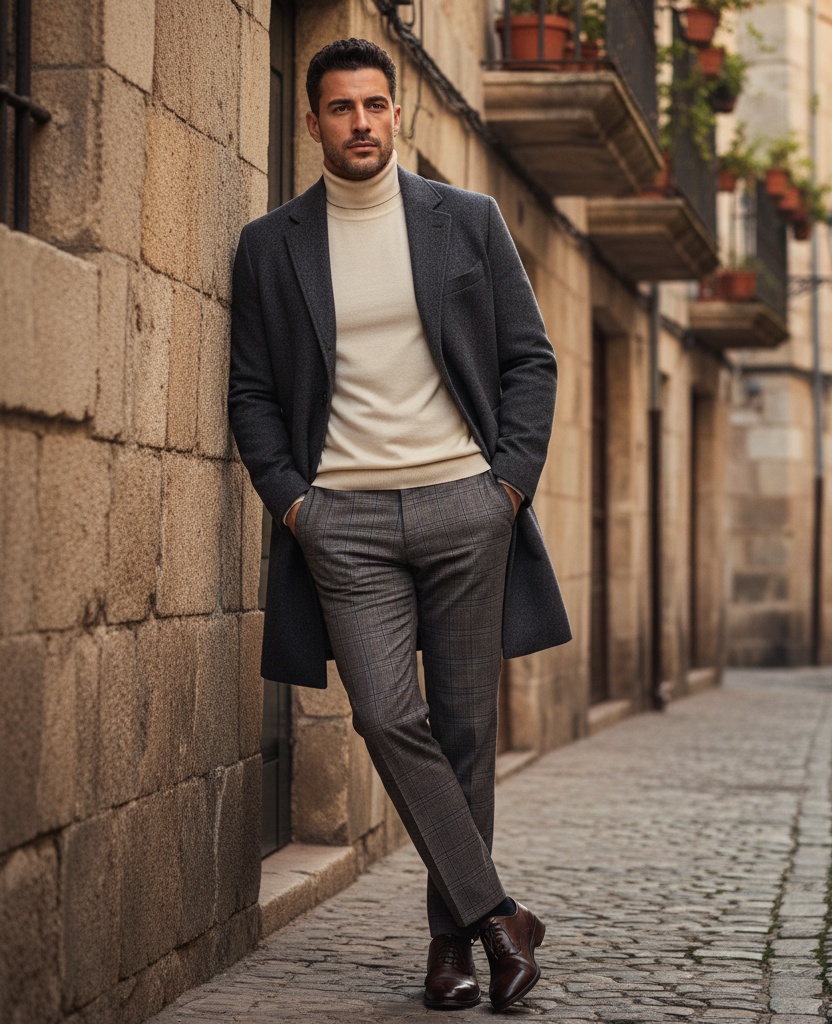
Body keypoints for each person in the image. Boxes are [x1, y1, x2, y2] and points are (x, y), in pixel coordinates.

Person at [228, 37, 571, 1012]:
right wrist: (296, 502)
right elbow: (251, 392)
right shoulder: (271, 243)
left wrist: (504, 486)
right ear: (314, 124)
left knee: (463, 730)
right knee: (385, 714)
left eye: (375, 105)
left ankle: (451, 949)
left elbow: (529, 362)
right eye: (341, 109)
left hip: (467, 507)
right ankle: (501, 914)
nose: (362, 123)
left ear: (395, 113)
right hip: (344, 523)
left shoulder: (466, 221)